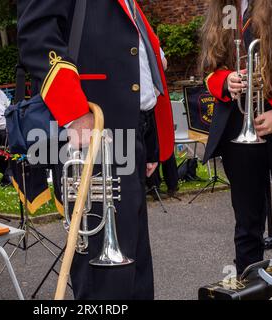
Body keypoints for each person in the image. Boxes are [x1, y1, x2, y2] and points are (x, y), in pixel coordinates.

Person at [17, 0, 174, 299]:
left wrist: (149, 141)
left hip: (130, 128)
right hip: (92, 126)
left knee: (134, 261)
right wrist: (74, 111)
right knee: (103, 275)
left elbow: (137, 61)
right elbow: (37, 36)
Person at [200, 0, 272, 276]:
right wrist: (226, 80)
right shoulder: (226, 10)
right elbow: (210, 68)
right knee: (247, 226)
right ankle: (250, 290)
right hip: (240, 126)